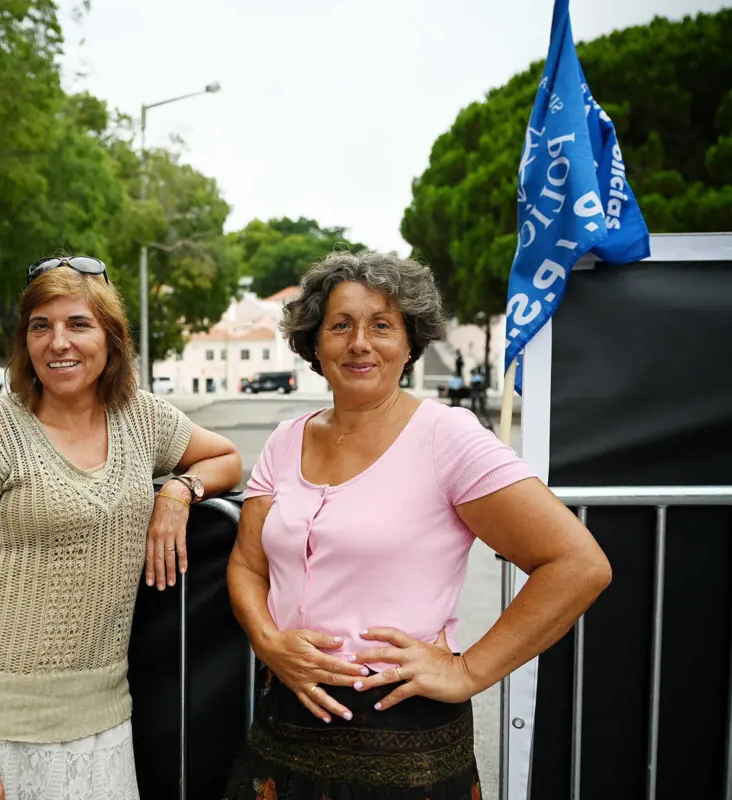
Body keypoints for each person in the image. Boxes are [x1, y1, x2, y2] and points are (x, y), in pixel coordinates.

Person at [222, 251, 611, 800]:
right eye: (340, 325)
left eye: (382, 325)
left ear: (410, 343)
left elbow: (578, 564)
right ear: (314, 342)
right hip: (284, 721)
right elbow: (246, 564)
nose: (360, 343)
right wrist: (268, 641)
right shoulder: (286, 439)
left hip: (403, 740)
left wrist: (468, 671)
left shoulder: (447, 437)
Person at [0, 255, 242, 800]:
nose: (58, 342)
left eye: (78, 324)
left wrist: (179, 493)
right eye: (40, 326)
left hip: (103, 720)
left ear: (111, 338)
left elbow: (226, 458)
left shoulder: (142, 417)